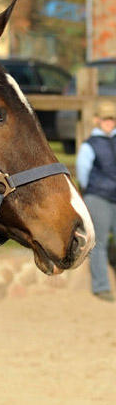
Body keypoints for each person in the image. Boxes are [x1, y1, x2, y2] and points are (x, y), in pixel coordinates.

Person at [76, 99, 116, 302]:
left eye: (112, 119)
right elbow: (83, 172)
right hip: (98, 196)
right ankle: (101, 286)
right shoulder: (90, 145)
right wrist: (89, 191)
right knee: (98, 243)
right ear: (98, 120)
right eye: (106, 119)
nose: (109, 122)